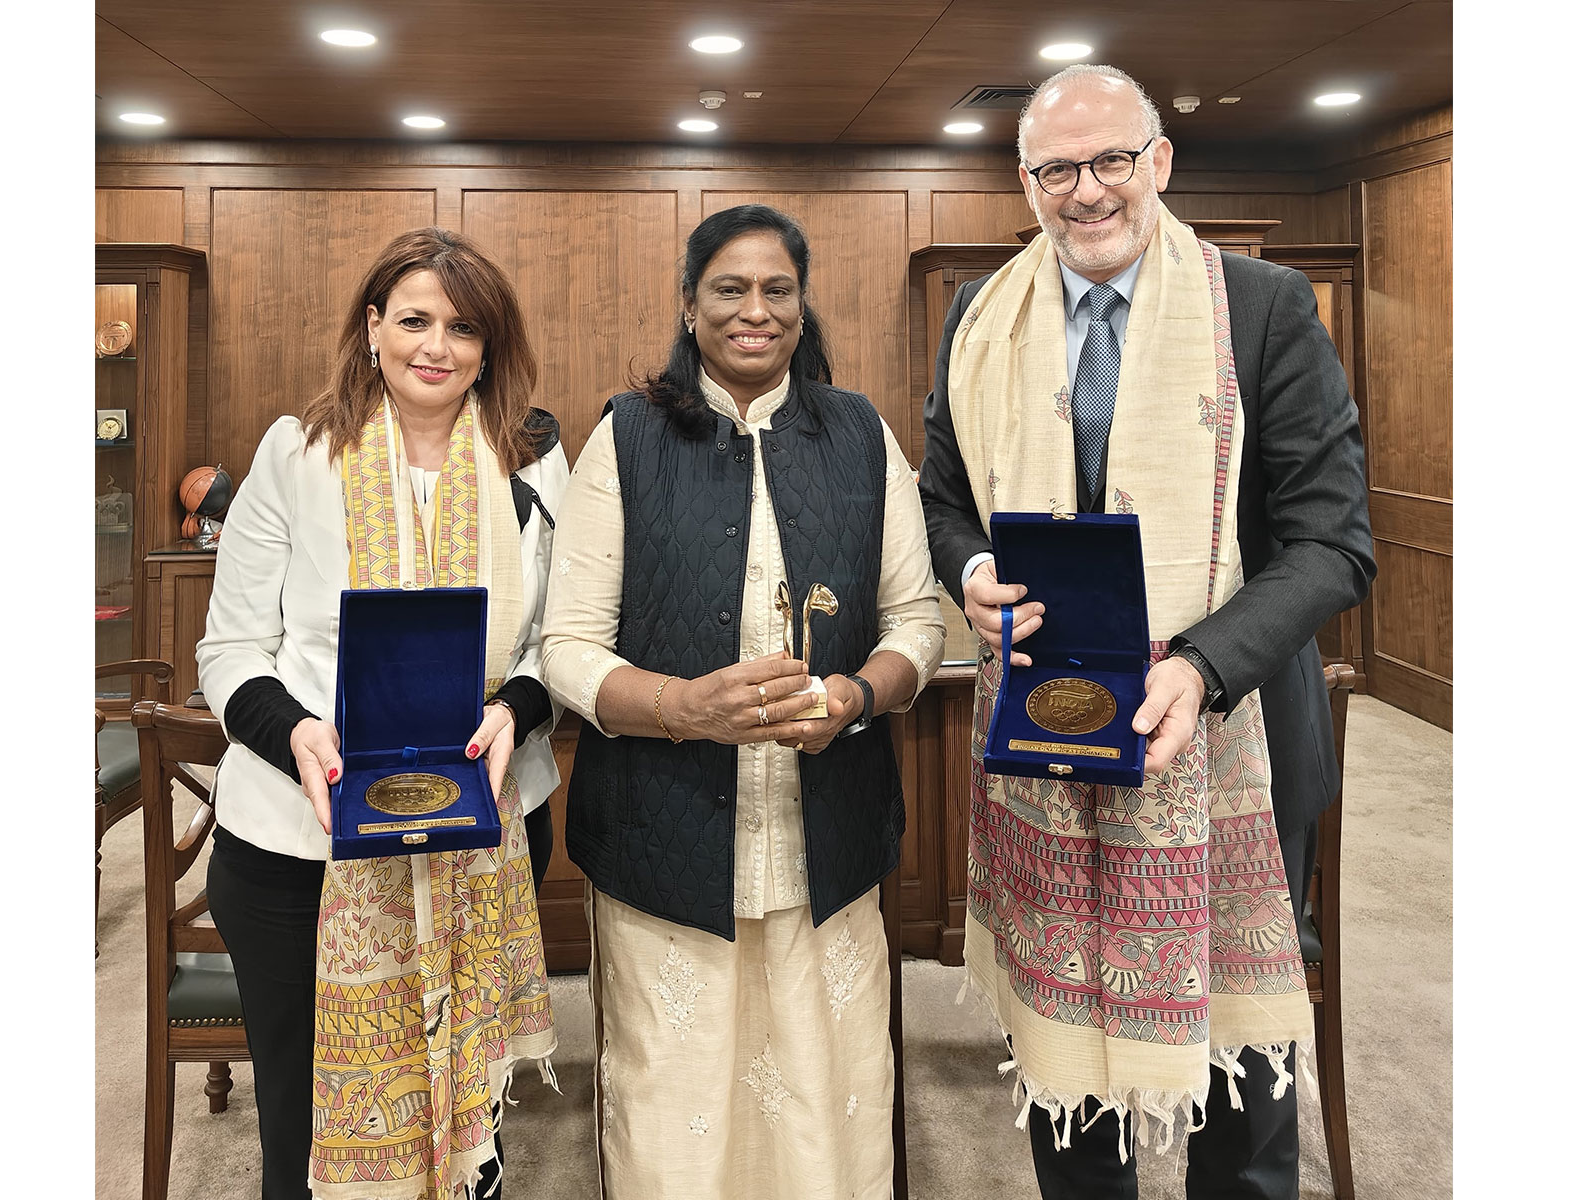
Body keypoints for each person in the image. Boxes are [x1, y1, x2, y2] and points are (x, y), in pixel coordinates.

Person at [918, 65, 1376, 1198]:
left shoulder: (1261, 307)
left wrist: (1206, 666)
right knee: (1065, 1065)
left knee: (1235, 1071)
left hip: (1229, 743)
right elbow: (938, 498)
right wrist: (970, 568)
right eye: (1056, 168)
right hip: (1043, 739)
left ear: (1158, 163)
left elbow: (1334, 542)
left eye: (1110, 159)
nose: (1086, 191)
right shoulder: (981, 313)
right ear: (1024, 182)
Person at [540, 203, 945, 1198]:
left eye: (776, 289)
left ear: (802, 308)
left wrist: (854, 695)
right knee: (675, 1106)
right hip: (663, 839)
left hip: (829, 836)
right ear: (689, 305)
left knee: (824, 1095)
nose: (752, 309)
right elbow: (567, 650)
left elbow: (920, 625)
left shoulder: (857, 433)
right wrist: (686, 708)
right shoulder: (626, 436)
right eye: (728, 288)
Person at [196, 226, 567, 1200]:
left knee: (470, 1119)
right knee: (307, 1135)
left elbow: (553, 648)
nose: (435, 346)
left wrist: (517, 711)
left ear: (490, 347)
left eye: (463, 327)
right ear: (371, 328)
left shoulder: (531, 466)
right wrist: (297, 737)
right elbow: (231, 652)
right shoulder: (297, 452)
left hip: (475, 833)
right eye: (413, 319)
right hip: (295, 850)